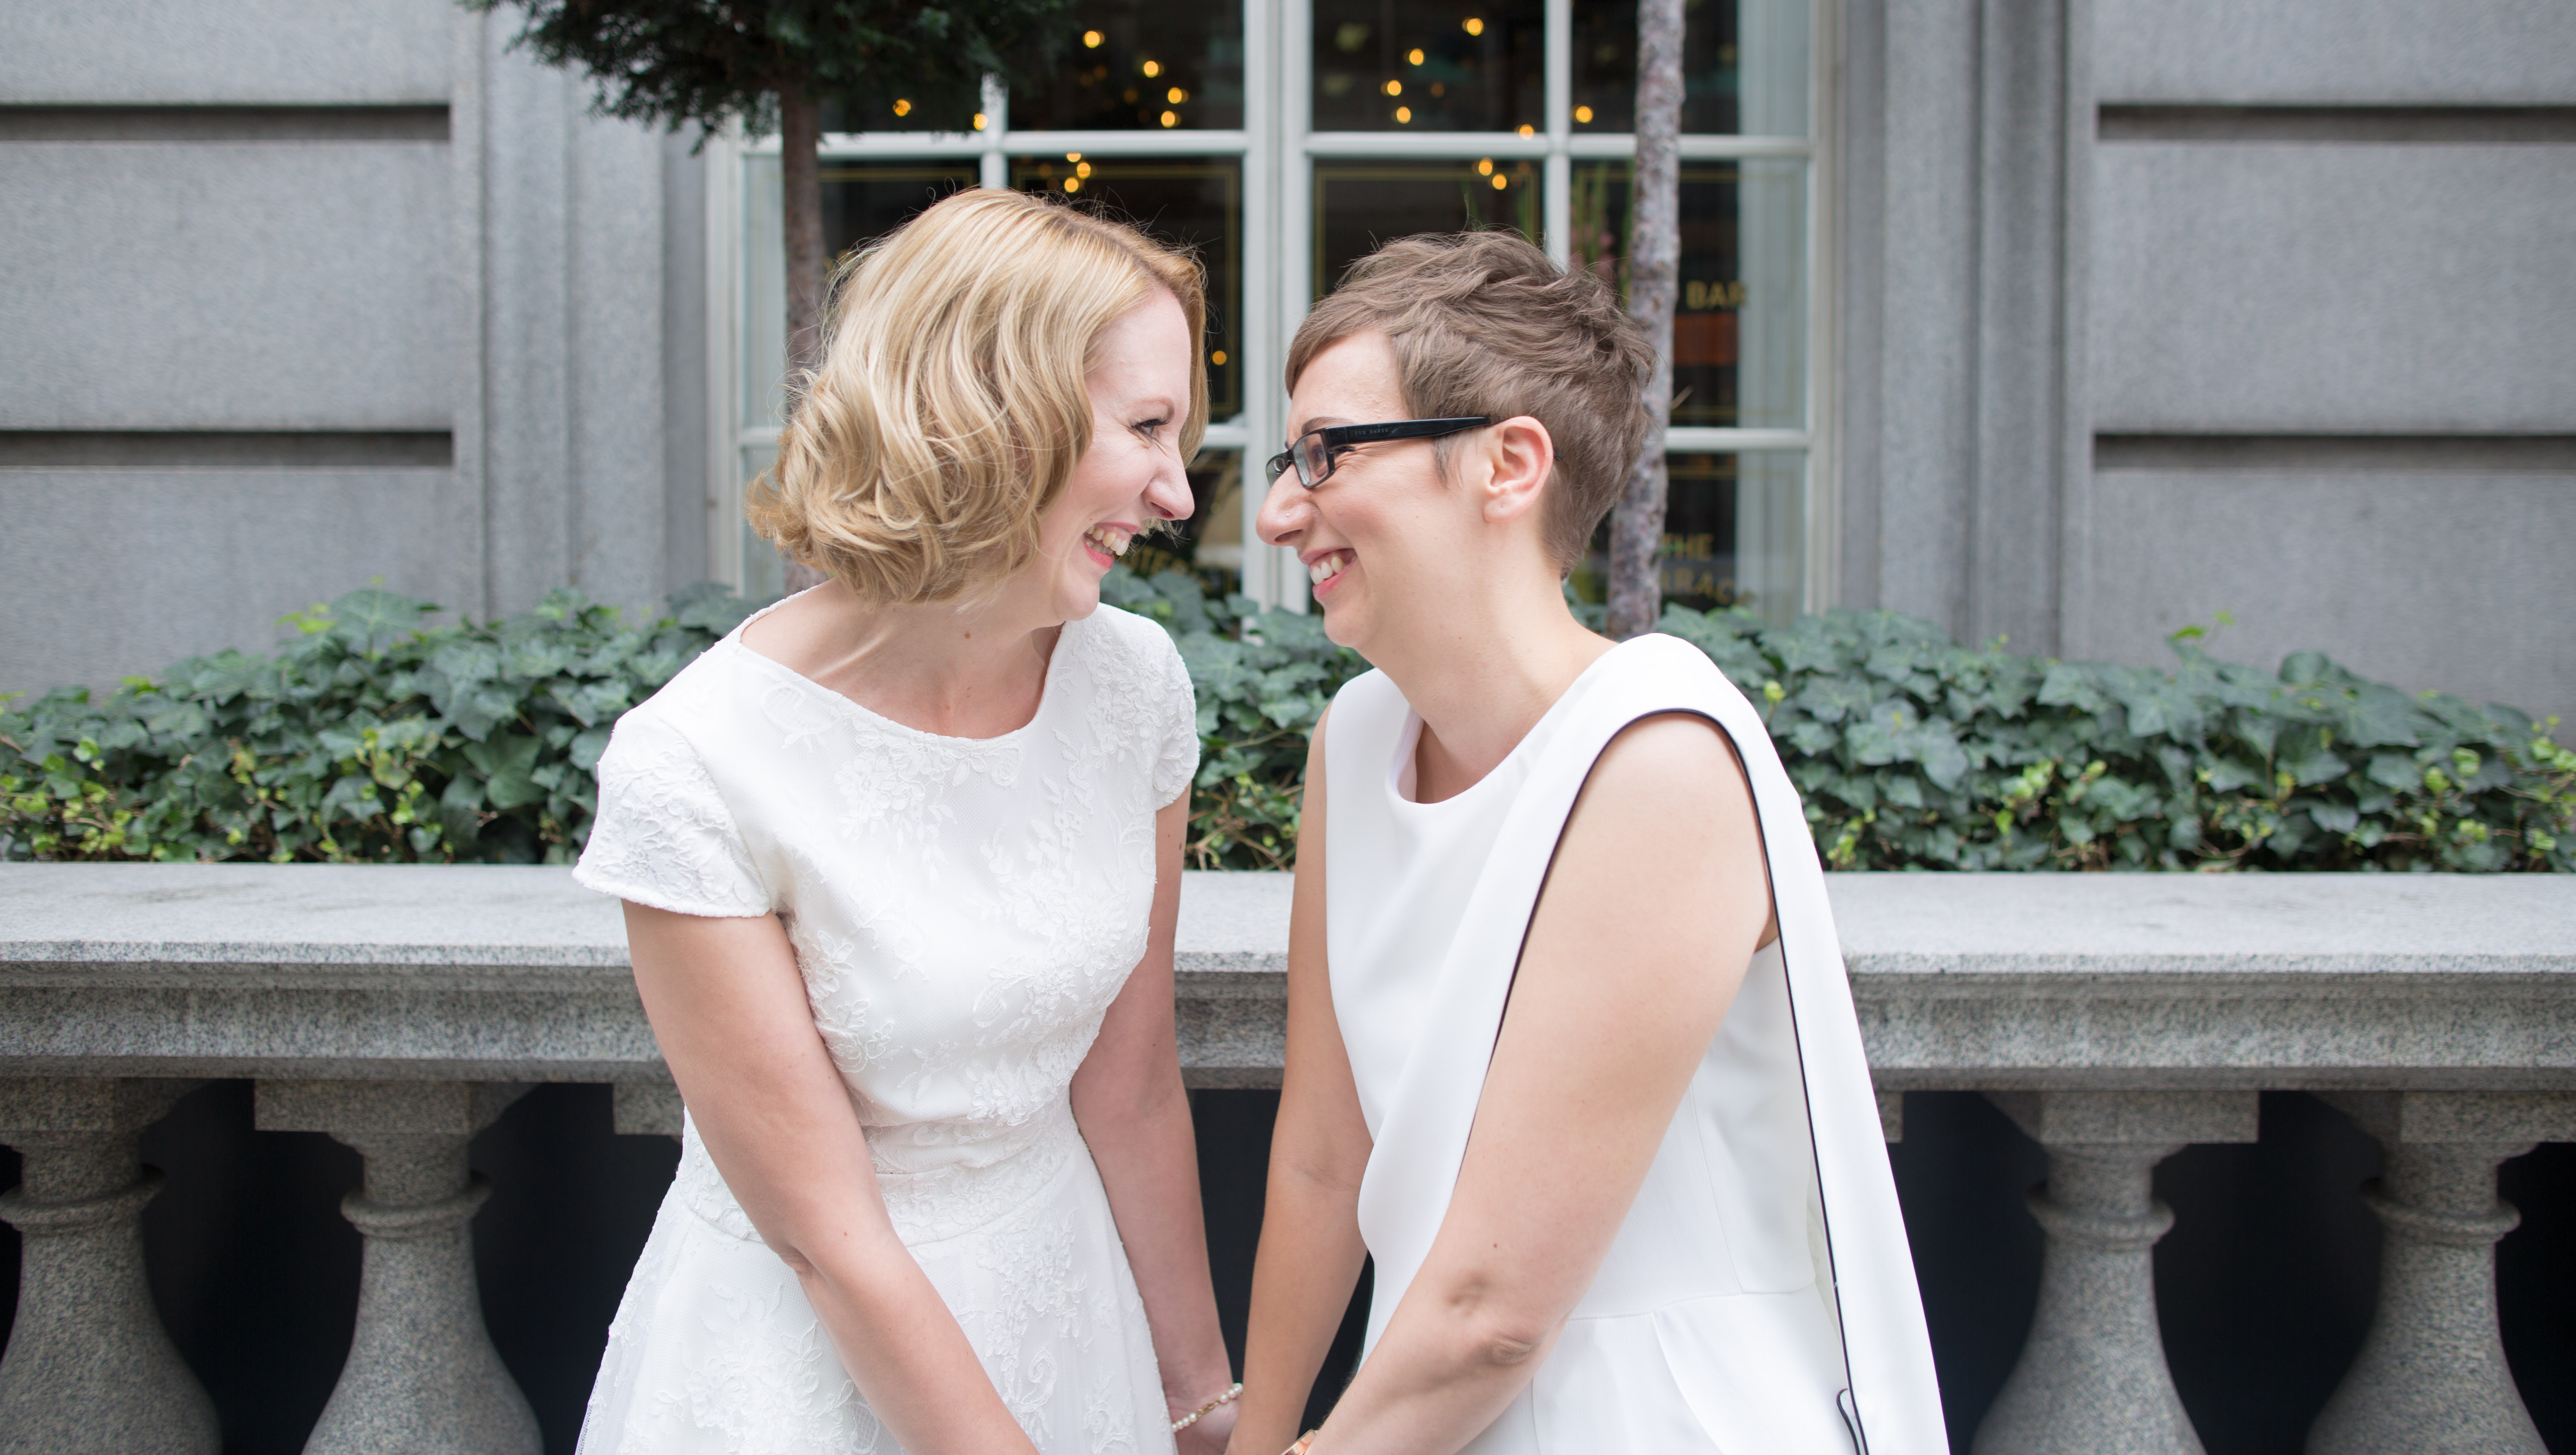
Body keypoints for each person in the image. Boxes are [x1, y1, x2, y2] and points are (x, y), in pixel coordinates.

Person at [1225, 232, 1944, 1455]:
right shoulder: (1353, 746)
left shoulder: (1658, 758)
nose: (1279, 509)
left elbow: (1496, 1317)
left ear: (1508, 464)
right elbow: (1324, 1156)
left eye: (1327, 453)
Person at [573, 188, 1241, 1455]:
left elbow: (1134, 1082)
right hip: (800, 1366)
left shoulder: (1131, 680)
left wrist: (1198, 1399)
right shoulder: (697, 760)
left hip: (1065, 1305)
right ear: (994, 415)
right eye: (1148, 427)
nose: (1175, 494)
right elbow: (825, 1237)